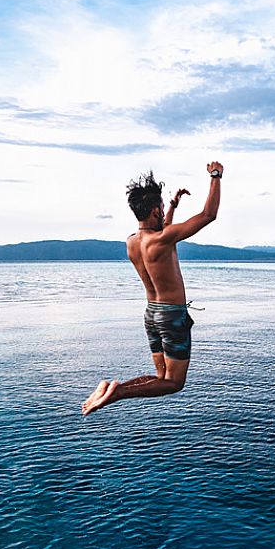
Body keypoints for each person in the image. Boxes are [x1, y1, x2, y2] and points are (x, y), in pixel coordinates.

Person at [82, 161, 223, 415]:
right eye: (161, 208)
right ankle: (118, 393)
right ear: (155, 211)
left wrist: (171, 206)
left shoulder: (132, 243)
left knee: (160, 377)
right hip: (171, 316)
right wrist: (216, 176)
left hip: (151, 315)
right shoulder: (162, 239)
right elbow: (207, 215)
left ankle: (110, 388)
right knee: (174, 383)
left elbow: (163, 230)